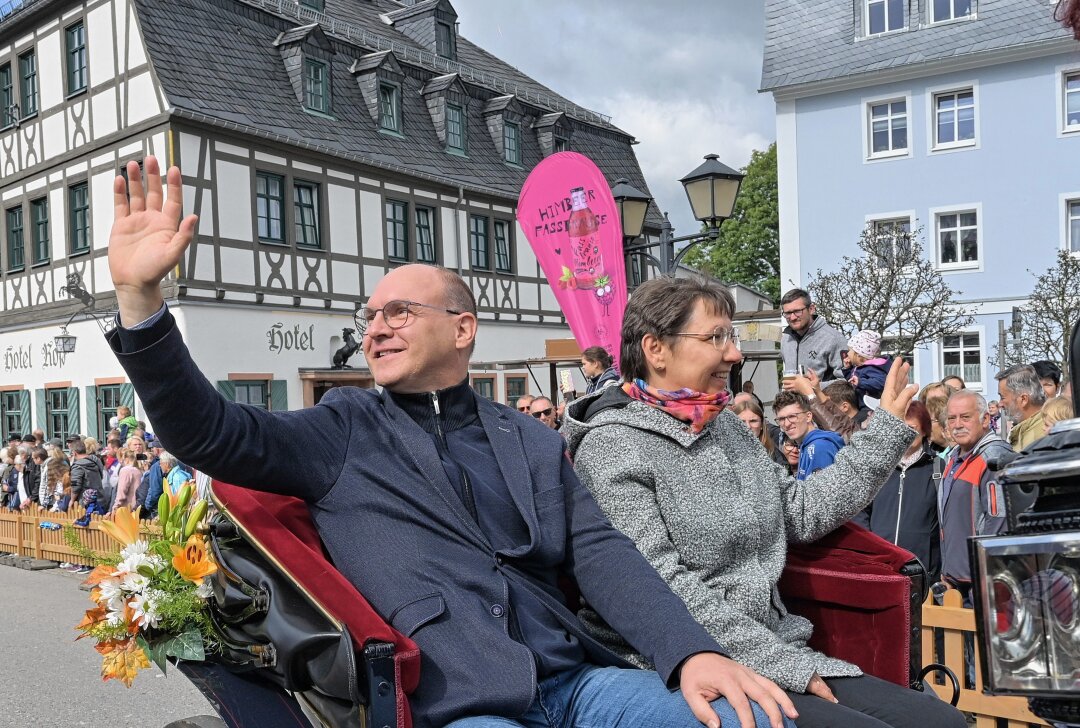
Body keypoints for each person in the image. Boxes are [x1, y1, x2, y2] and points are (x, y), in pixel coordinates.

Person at [102, 156, 796, 728]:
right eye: (370, 315)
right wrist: (141, 304)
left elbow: (603, 554)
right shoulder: (341, 428)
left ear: (462, 330)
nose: (375, 327)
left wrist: (688, 654)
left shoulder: (527, 436)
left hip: (578, 683)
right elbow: (209, 432)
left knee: (751, 720)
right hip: (458, 705)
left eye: (400, 311)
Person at [565, 276, 964, 728]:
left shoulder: (727, 428)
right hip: (681, 660)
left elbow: (800, 510)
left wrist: (884, 434)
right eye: (716, 337)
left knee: (942, 723)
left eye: (731, 336)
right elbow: (662, 589)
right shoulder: (612, 446)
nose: (734, 353)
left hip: (776, 646)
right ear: (656, 349)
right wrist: (786, 664)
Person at [851, 400, 941, 584]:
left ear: (924, 430)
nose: (906, 433)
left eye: (912, 428)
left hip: (920, 569)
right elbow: (860, 512)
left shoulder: (937, 469)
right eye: (901, 427)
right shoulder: (877, 466)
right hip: (879, 565)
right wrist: (870, 550)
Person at [939, 391, 1013, 598]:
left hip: (982, 583)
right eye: (952, 418)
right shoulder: (954, 457)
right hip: (955, 582)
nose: (957, 424)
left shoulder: (994, 457)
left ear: (985, 419)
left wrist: (987, 574)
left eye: (965, 417)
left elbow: (999, 523)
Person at [778, 288, 847, 382]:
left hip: (823, 396)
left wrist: (813, 388)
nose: (792, 317)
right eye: (788, 313)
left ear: (811, 309)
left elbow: (846, 382)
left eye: (798, 311)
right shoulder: (786, 339)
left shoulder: (834, 339)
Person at [772, 391, 845, 480]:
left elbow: (822, 492)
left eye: (792, 416)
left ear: (808, 416)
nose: (787, 424)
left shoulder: (819, 448)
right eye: (781, 419)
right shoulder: (807, 445)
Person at [995, 364, 1048, 450]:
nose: (1000, 404)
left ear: (1023, 399)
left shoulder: (1041, 435)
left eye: (1002, 397)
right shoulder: (1023, 430)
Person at [730, 399, 785, 466]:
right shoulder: (723, 453)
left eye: (753, 421)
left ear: (761, 425)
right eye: (741, 422)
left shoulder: (773, 453)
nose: (748, 426)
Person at [843, 330, 892, 401]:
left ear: (858, 355)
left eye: (849, 350)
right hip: (860, 404)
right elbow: (851, 381)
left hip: (869, 407)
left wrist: (860, 382)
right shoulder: (859, 367)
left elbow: (881, 382)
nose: (847, 353)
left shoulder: (871, 368)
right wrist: (847, 368)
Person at [110, 449, 143, 514]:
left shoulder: (125, 470)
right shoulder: (139, 471)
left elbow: (122, 491)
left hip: (125, 509)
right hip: (136, 508)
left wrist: (115, 506)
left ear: (126, 459)